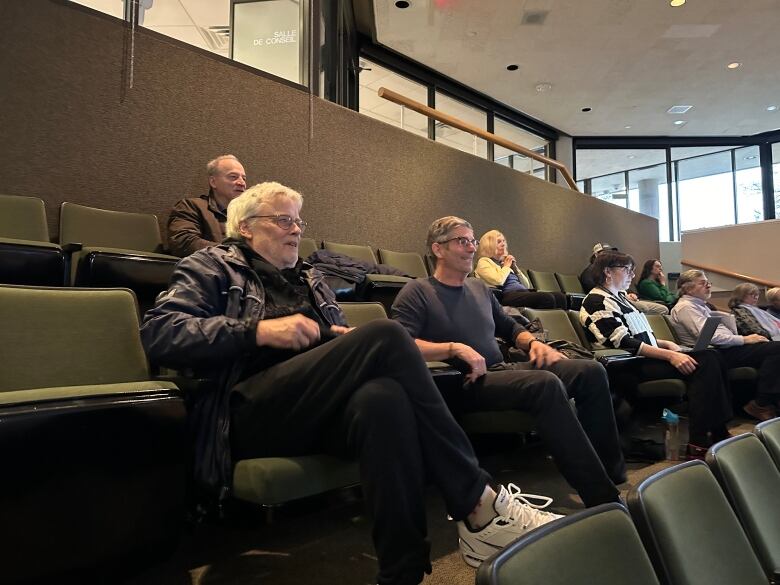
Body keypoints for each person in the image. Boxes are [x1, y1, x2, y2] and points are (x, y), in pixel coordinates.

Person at [141, 183, 562, 584]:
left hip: (316, 407)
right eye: (283, 220)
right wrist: (257, 331)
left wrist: (336, 338)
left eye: (299, 222)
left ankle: (401, 573)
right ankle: (476, 500)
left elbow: (333, 345)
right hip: (248, 413)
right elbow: (160, 334)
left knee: (384, 399)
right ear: (245, 226)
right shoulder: (209, 264)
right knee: (386, 332)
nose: (296, 230)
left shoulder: (309, 278)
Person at [391, 216, 625, 515]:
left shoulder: (478, 289)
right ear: (438, 249)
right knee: (544, 383)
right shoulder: (418, 291)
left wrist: (534, 343)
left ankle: (611, 474)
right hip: (463, 382)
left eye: (472, 241)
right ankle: (602, 498)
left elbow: (510, 326)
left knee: (590, 370)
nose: (471, 248)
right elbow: (401, 343)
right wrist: (452, 347)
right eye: (462, 241)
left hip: (500, 372)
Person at [580, 251, 733, 457]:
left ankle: (715, 431)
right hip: (626, 365)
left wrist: (666, 344)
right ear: (607, 271)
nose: (632, 275)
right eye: (627, 270)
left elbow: (639, 336)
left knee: (712, 356)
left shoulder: (620, 299)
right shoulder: (596, 300)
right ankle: (702, 439)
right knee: (705, 361)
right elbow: (623, 342)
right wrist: (670, 356)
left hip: (644, 357)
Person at [672, 270, 780, 421]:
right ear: (688, 288)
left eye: (708, 283)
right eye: (703, 283)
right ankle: (761, 404)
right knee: (776, 349)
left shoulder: (701, 306)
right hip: (713, 354)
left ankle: (767, 402)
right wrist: (745, 339)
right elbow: (710, 337)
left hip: (726, 349)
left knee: (772, 350)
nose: (708, 286)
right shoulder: (686, 307)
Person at [166, 154, 248, 257]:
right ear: (213, 182)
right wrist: (233, 253)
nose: (241, 183)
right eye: (233, 177)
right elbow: (183, 242)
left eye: (244, 178)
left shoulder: (247, 216)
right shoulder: (190, 206)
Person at [474, 229, 566, 309]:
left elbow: (527, 285)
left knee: (560, 297)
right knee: (547, 298)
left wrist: (515, 269)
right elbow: (498, 281)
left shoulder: (503, 263)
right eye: (499, 242)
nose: (503, 244)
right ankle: (539, 326)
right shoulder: (484, 262)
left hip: (522, 293)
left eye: (503, 241)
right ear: (489, 245)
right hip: (506, 296)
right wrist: (506, 266)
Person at [580, 243, 668, 315]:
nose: (632, 275)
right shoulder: (590, 273)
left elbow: (620, 287)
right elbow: (597, 288)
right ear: (596, 255)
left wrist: (629, 294)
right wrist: (624, 296)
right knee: (645, 308)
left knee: (661, 308)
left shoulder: (616, 274)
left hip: (621, 297)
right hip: (615, 299)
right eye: (626, 269)